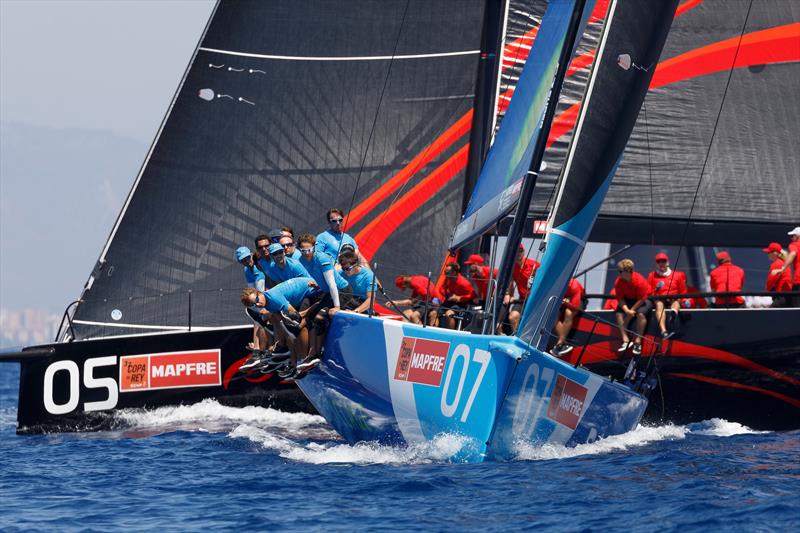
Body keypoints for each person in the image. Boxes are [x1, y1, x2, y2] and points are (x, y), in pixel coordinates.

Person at [240, 278, 320, 378]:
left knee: (298, 327)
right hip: (300, 298)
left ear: (260, 292)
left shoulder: (274, 298)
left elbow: (296, 316)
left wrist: (316, 306)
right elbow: (281, 320)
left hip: (313, 291)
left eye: (257, 300)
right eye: (254, 304)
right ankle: (286, 354)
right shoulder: (267, 302)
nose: (258, 304)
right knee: (286, 328)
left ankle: (303, 360)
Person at [297, 233, 352, 359]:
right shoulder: (301, 260)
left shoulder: (322, 259)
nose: (306, 253)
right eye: (303, 250)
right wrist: (318, 286)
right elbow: (320, 278)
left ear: (314, 248)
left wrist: (337, 306)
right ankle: (311, 353)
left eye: (309, 250)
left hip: (342, 291)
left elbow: (332, 285)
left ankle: (317, 354)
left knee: (319, 318)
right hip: (328, 292)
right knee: (309, 317)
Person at [236, 246, 269, 369]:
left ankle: (259, 351)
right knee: (255, 316)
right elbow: (252, 291)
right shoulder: (246, 270)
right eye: (243, 260)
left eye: (247, 258)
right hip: (262, 297)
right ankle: (258, 349)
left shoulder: (259, 265)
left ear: (251, 255)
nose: (246, 261)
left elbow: (261, 292)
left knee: (259, 317)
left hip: (269, 295)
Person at [613, 259, 653, 355]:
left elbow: (641, 299)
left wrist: (631, 311)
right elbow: (620, 299)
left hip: (644, 299)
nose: (619, 273)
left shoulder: (640, 280)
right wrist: (627, 311)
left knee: (641, 314)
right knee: (619, 314)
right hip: (629, 300)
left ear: (627, 272)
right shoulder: (618, 282)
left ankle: (638, 342)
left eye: (620, 271)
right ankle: (625, 340)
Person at [647, 253, 687, 338]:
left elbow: (683, 291)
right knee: (659, 305)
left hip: (673, 298)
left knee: (676, 303)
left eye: (663, 261)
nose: (661, 263)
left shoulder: (677, 275)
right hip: (659, 299)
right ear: (656, 264)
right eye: (659, 261)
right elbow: (648, 291)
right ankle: (664, 331)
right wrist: (656, 291)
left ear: (667, 263)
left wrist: (681, 300)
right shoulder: (652, 275)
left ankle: (673, 314)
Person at [501, 245, 540, 334]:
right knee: (513, 316)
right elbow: (510, 283)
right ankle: (517, 337)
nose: (519, 253)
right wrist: (508, 294)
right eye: (516, 251)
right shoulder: (512, 267)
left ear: (524, 252)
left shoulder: (534, 265)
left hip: (535, 299)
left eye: (521, 251)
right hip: (522, 299)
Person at [438, 261, 477, 330]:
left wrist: (459, 298)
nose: (445, 274)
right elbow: (441, 289)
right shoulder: (448, 279)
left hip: (462, 304)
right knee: (435, 311)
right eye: (445, 272)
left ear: (454, 272)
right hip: (451, 302)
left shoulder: (464, 283)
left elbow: (473, 296)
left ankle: (450, 334)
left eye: (447, 273)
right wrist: (447, 294)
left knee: (449, 314)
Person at [551, 278, 585, 357]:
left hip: (579, 300)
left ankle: (560, 344)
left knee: (568, 313)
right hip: (565, 300)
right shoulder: (555, 284)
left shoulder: (574, 286)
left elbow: (575, 307)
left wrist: (566, 303)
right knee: (553, 316)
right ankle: (564, 344)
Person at [772, 227, 800, 307]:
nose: (791, 238)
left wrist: (782, 268)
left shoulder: (794, 245)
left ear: (797, 236)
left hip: (798, 281)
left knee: (797, 310)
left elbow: (793, 254)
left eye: (792, 236)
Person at [763, 242, 793, 307]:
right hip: (787, 296)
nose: (767, 254)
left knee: (769, 315)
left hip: (781, 296)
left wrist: (767, 290)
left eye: (769, 252)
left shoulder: (776, 264)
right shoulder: (783, 262)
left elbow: (770, 282)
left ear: (775, 253)